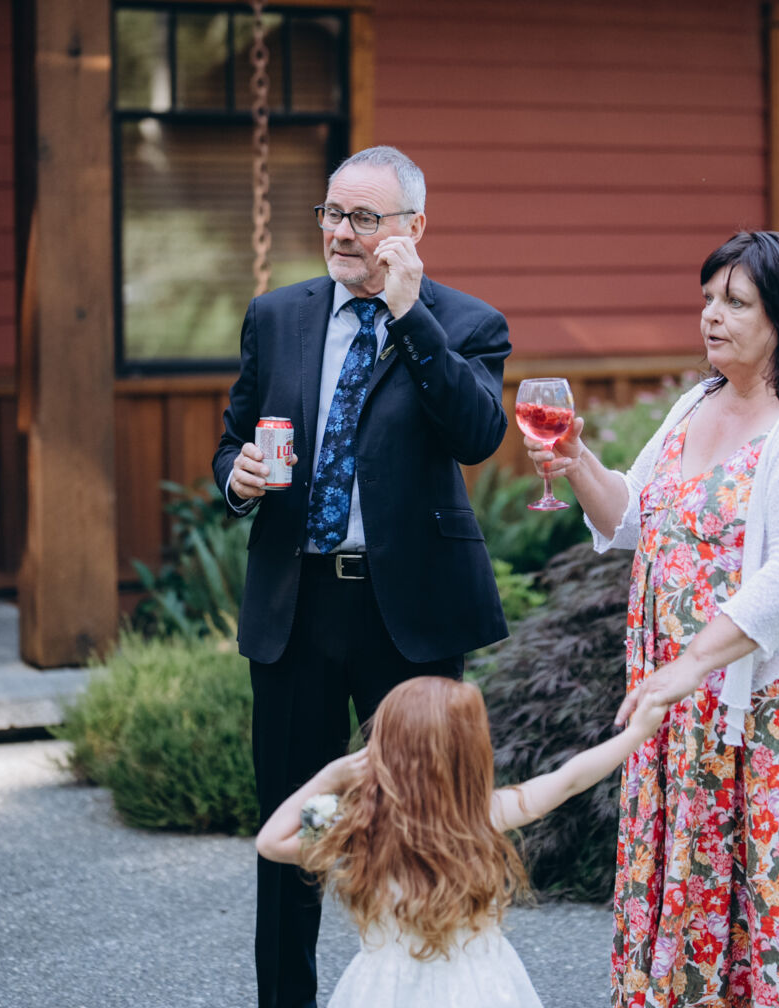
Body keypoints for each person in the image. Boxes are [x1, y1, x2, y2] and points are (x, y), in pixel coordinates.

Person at [524, 230, 779, 1008]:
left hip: (776, 709)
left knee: (765, 891)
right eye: (707, 300)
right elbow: (632, 517)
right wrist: (577, 462)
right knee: (690, 883)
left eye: (735, 302)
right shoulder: (698, 403)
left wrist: (691, 663)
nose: (711, 316)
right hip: (681, 705)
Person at [213, 145, 513, 1008]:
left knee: (426, 834)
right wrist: (237, 477)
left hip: (408, 618)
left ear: (413, 229)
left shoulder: (467, 323)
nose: (341, 233)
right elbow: (232, 439)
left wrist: (410, 315)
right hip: (297, 609)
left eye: (364, 219)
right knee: (294, 834)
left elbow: (476, 435)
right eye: (333, 214)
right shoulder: (277, 316)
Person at [256, 676, 668, 1008]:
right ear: (465, 754)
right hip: (479, 985)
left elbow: (272, 842)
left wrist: (329, 776)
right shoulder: (482, 816)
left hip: (383, 989)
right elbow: (568, 780)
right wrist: (637, 733)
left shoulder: (359, 827)